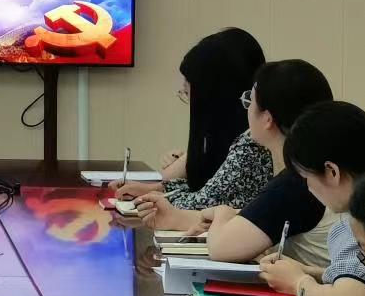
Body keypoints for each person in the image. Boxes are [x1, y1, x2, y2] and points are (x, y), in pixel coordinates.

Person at [139, 59, 334, 265]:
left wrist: (221, 211)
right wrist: (174, 217)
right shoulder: (311, 168)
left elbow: (222, 248)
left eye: (250, 100)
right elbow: (252, 220)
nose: (246, 108)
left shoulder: (296, 183)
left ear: (268, 119)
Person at [113, 28, 268, 209]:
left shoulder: (251, 145)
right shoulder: (229, 135)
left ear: (215, 94)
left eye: (189, 93)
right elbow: (204, 187)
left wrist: (151, 197)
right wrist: (154, 190)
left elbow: (201, 202)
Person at [258, 105, 365, 296]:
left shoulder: (354, 225)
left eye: (306, 178)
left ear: (332, 172)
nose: (308, 188)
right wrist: (309, 272)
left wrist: (298, 282)